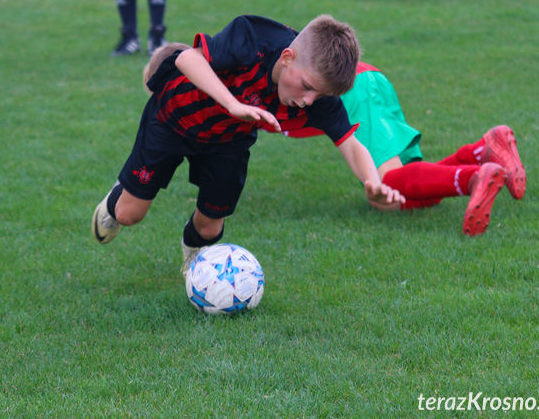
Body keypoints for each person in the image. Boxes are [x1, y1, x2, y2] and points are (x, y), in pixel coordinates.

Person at [91, 14, 405, 274]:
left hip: (229, 139)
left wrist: (371, 181)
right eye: (308, 87)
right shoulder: (252, 38)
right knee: (130, 215)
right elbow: (188, 58)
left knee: (210, 227)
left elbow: (350, 143)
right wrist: (231, 103)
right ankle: (115, 201)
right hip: (173, 118)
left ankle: (198, 266)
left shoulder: (315, 92)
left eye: (319, 95)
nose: (309, 101)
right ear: (287, 58)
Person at [284, 63, 526, 235]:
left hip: (353, 89)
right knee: (398, 198)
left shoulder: (259, 77)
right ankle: (482, 150)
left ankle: (473, 178)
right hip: (362, 81)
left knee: (387, 186)